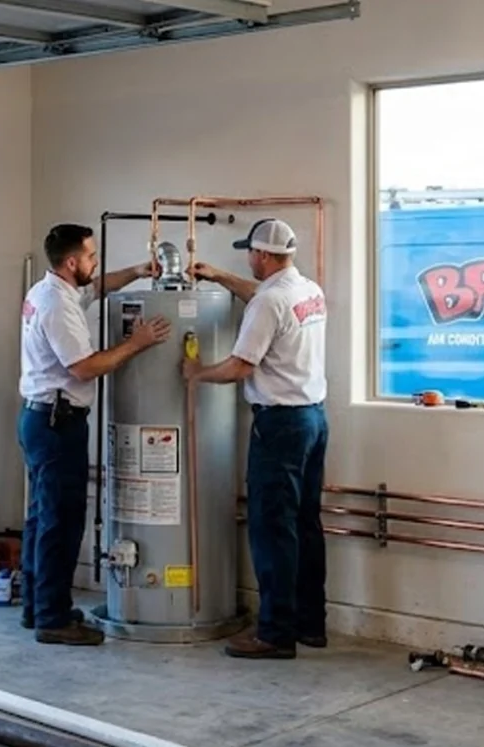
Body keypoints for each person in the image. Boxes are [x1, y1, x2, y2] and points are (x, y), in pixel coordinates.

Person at [182, 217, 328, 660]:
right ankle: (309, 624)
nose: (247, 258)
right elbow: (264, 299)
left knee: (271, 530)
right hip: (313, 420)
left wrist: (197, 375)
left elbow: (240, 366)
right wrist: (221, 277)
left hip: (279, 426)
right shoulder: (307, 290)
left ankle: (274, 633)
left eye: (250, 252)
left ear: (262, 255)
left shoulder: (269, 304)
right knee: (305, 525)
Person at [18, 223, 171, 645]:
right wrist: (137, 343)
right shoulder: (57, 307)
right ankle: (54, 619)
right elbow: (84, 368)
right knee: (61, 523)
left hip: (42, 418)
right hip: (57, 423)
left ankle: (37, 607)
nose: (95, 262)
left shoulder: (50, 290)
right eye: (90, 256)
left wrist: (140, 270)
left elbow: (97, 287)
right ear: (71, 263)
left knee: (42, 519)